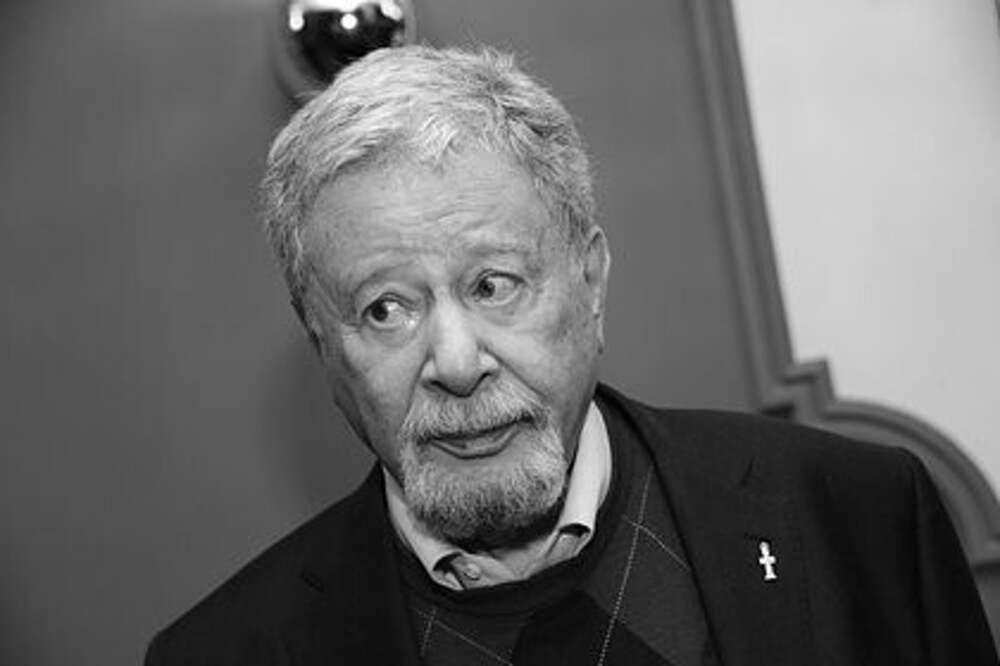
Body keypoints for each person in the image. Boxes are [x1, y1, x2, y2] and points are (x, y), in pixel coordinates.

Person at [145, 46, 998, 665]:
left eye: (494, 285)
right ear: (325, 351)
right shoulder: (224, 652)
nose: (456, 362)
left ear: (590, 282)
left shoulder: (857, 515)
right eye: (386, 309)